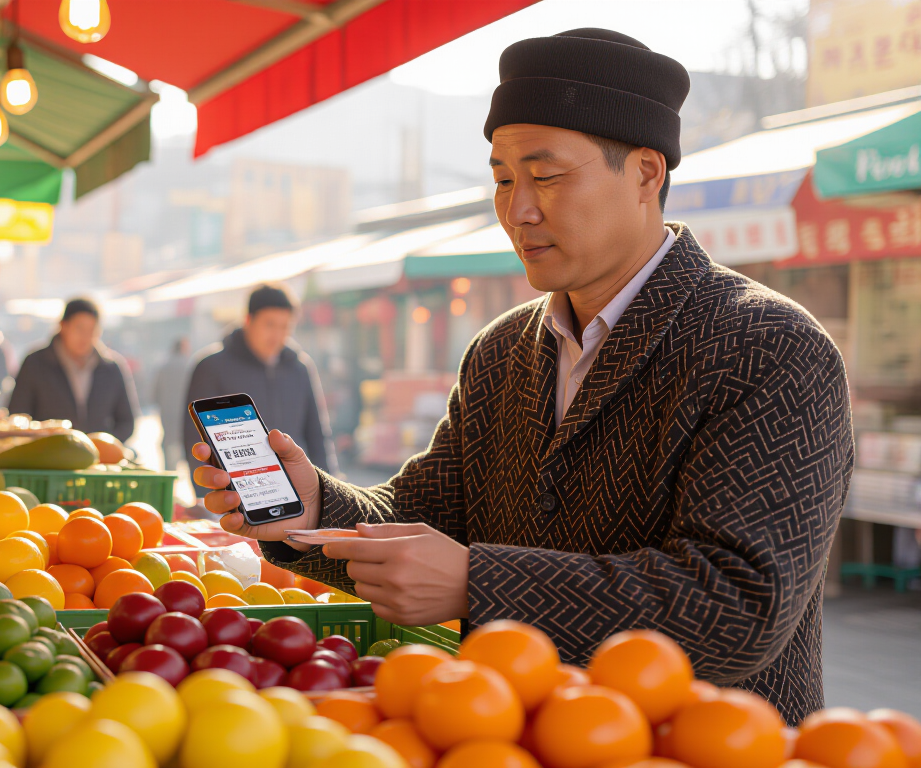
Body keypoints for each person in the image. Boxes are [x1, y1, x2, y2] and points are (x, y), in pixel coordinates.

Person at [191, 29, 852, 725]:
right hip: (504, 735)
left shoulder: (771, 348)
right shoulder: (502, 350)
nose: (518, 210)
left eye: (548, 176)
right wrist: (314, 511)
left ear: (646, 174)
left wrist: (478, 582)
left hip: (701, 745)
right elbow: (424, 514)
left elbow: (735, 606)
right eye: (504, 179)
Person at [186, 284, 337, 476]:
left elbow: (317, 436)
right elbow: (195, 440)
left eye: (285, 326)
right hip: (237, 487)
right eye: (269, 324)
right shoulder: (211, 368)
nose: (277, 335)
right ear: (248, 320)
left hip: (298, 486)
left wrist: (328, 488)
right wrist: (210, 491)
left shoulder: (300, 368)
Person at [9, 298, 139, 441]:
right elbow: (18, 416)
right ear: (63, 326)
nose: (85, 336)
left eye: (92, 330)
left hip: (99, 453)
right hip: (48, 452)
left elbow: (126, 422)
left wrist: (104, 445)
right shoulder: (36, 364)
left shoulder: (111, 368)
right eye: (79, 328)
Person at [153, 337, 193, 471]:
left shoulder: (164, 366)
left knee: (169, 440)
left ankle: (170, 471)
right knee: (183, 439)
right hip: (185, 410)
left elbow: (155, 391)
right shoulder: (189, 366)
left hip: (167, 410)